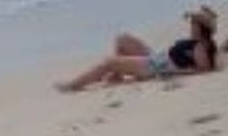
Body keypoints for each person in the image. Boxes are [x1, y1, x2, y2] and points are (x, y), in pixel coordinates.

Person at [57, 7, 218, 91]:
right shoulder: (201, 43)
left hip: (155, 67)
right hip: (158, 60)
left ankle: (73, 85)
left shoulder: (200, 46)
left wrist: (170, 73)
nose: (191, 25)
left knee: (108, 63)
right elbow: (211, 61)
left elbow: (204, 69)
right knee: (122, 39)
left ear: (200, 27)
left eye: (193, 23)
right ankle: (116, 76)